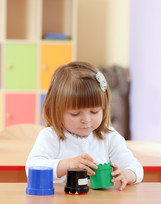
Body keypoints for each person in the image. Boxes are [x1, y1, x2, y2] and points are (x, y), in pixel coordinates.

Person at [26, 61, 143, 191]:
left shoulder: (110, 137)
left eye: (94, 112)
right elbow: (32, 168)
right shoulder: (50, 137)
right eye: (75, 114)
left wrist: (128, 174)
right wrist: (66, 165)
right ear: (56, 110)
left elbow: (136, 167)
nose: (86, 120)